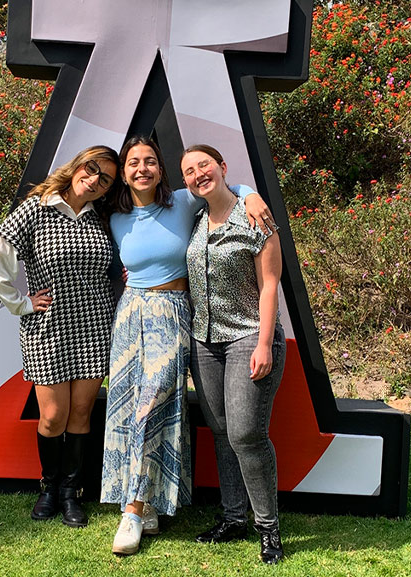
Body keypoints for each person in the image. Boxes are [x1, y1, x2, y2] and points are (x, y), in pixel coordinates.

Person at [102, 135, 275, 555]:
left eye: (149, 162)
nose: (141, 168)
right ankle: (151, 505)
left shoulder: (182, 201)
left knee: (153, 400)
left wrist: (251, 195)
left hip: (173, 312)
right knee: (128, 407)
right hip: (129, 316)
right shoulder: (114, 218)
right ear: (124, 174)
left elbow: (222, 188)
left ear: (160, 170)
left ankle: (132, 509)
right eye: (132, 163)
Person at [0, 145, 119, 528]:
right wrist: (20, 303)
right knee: (53, 416)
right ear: (77, 166)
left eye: (104, 179)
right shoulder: (37, 209)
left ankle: (71, 493)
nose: (93, 180)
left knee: (80, 413)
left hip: (93, 326)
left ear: (108, 189)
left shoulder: (104, 217)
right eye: (91, 169)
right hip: (48, 328)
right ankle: (49, 487)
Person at [180, 144, 286, 564]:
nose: (197, 174)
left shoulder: (255, 216)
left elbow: (270, 284)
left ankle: (269, 529)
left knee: (246, 434)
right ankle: (232, 517)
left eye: (204, 165)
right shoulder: (194, 219)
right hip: (204, 342)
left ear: (222, 168)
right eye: (189, 171)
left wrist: (263, 344)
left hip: (248, 338)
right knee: (222, 431)